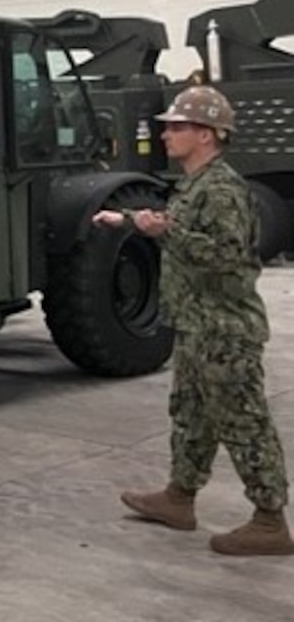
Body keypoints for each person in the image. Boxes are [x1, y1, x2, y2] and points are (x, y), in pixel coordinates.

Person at [92, 85, 291, 557]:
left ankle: (270, 519)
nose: (166, 134)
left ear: (206, 134)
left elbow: (227, 255)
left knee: (244, 422)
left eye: (177, 127)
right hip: (196, 325)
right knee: (192, 417)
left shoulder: (222, 189)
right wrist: (126, 221)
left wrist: (167, 230)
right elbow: (181, 230)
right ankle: (179, 498)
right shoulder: (196, 185)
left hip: (224, 330)